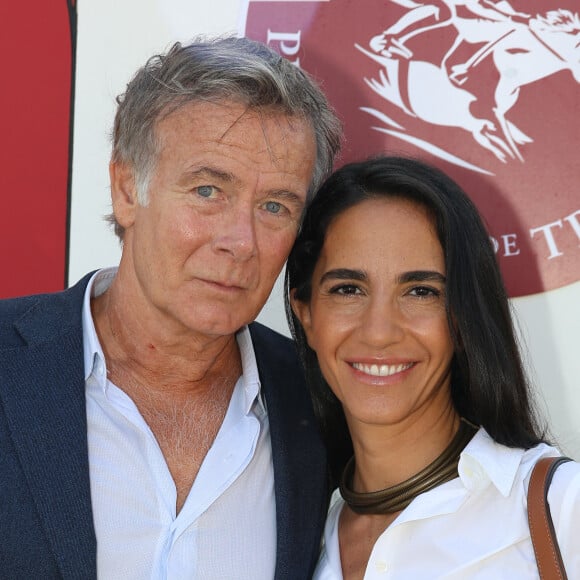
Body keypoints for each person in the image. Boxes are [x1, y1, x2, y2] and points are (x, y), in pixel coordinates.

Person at [0, 36, 341, 579]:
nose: (241, 241)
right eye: (208, 190)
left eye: (274, 206)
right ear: (126, 190)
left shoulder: (327, 405)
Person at [286, 156, 580, 578]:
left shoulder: (563, 510)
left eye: (420, 291)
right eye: (348, 289)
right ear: (307, 314)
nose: (379, 332)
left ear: (463, 319)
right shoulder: (298, 544)